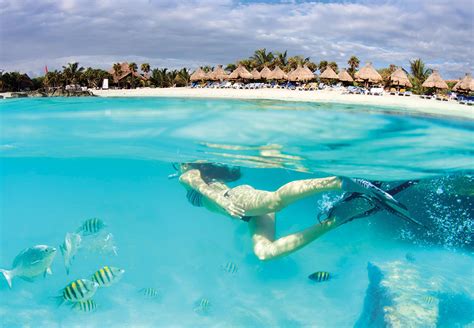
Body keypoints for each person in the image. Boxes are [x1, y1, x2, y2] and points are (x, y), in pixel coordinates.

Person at [176, 163, 414, 261]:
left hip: (234, 199)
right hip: (243, 212)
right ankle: (337, 219)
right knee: (264, 253)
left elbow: (198, 186)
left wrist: (224, 202)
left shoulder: (186, 174)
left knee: (275, 202)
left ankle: (340, 181)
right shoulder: (197, 174)